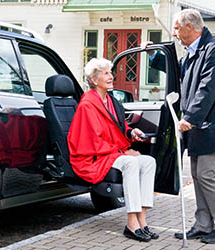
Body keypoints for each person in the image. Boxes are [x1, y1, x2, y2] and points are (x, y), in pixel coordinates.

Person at [142, 9, 215, 244]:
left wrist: (189, 117)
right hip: (198, 127)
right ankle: (203, 225)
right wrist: (154, 55)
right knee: (197, 175)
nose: (174, 33)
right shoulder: (194, 52)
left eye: (176, 28)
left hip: (213, 126)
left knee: (206, 175)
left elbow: (207, 89)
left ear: (190, 28)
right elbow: (179, 71)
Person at [67, 58, 159, 242]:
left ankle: (142, 219)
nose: (111, 76)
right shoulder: (87, 105)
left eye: (111, 72)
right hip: (94, 157)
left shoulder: (112, 101)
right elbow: (90, 141)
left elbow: (120, 127)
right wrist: (122, 153)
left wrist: (132, 132)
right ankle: (131, 223)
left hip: (111, 152)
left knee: (149, 161)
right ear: (94, 80)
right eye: (106, 73)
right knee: (131, 162)